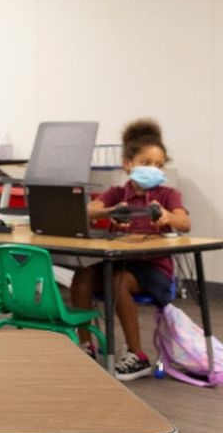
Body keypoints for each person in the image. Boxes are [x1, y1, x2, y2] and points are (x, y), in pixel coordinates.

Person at [68, 118, 192, 380]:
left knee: (118, 282)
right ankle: (85, 346)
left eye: (159, 165)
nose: (153, 169)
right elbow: (88, 211)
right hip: (117, 261)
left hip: (152, 271)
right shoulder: (117, 193)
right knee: (82, 275)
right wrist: (111, 212)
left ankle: (138, 355)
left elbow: (185, 222)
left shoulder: (168, 195)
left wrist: (168, 217)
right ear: (128, 164)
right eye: (146, 163)